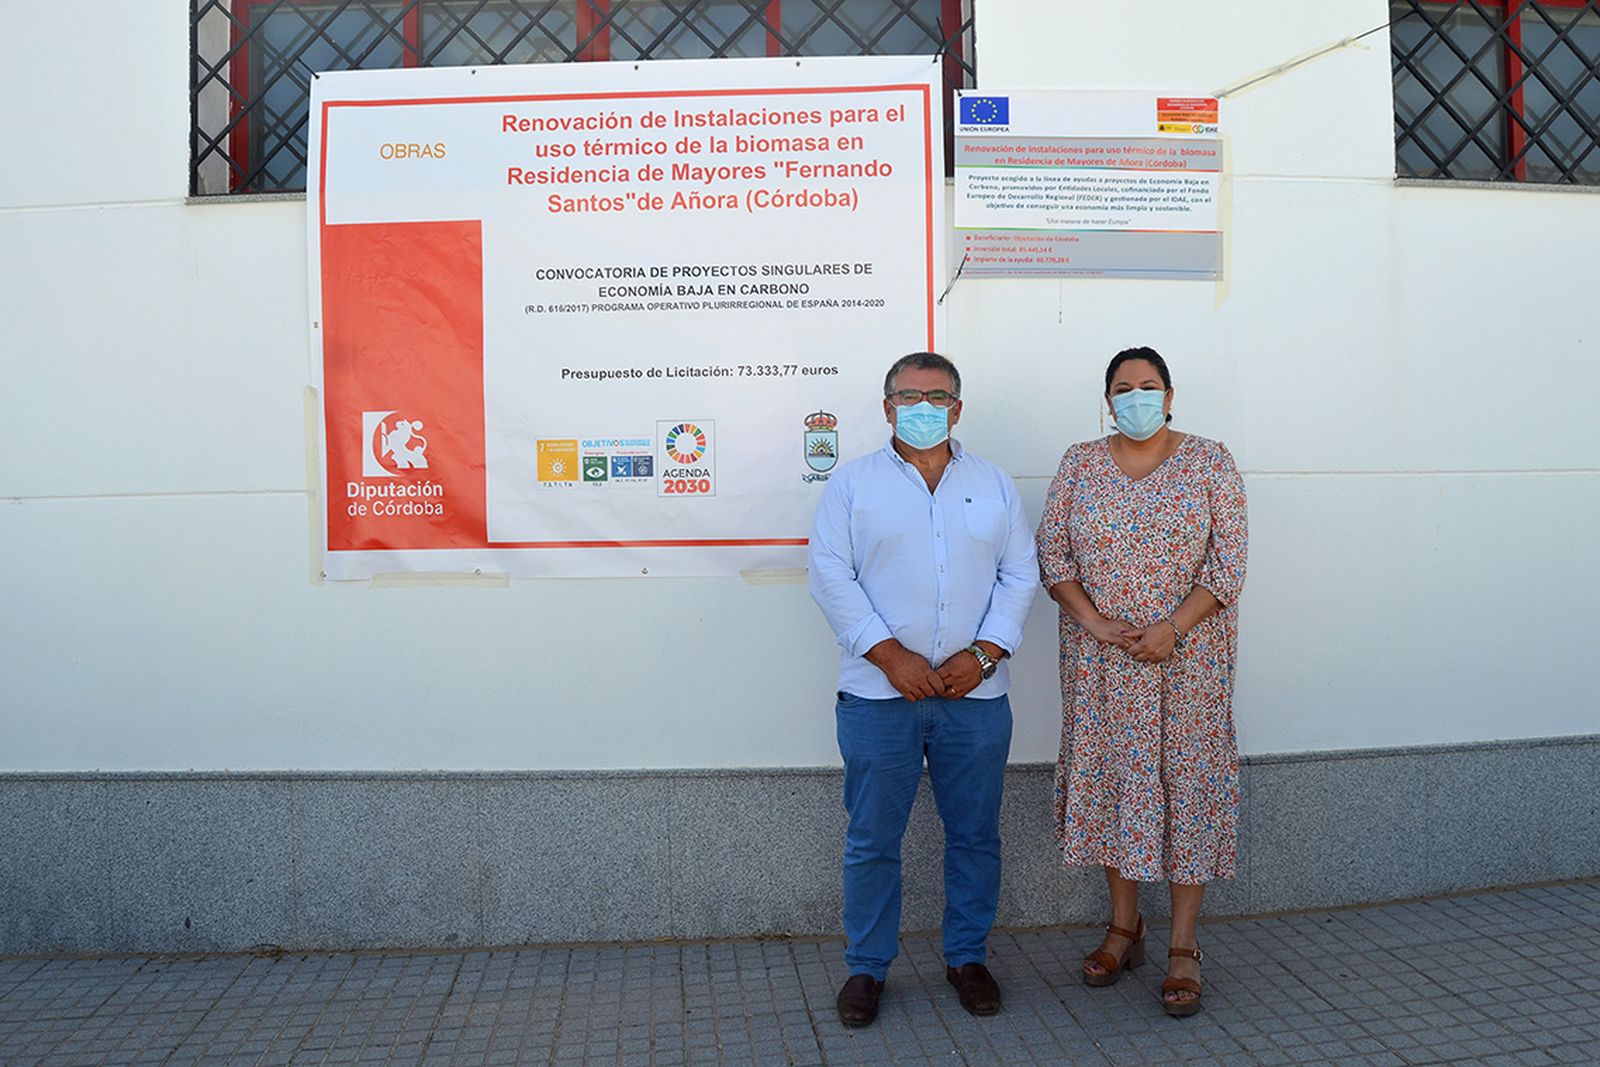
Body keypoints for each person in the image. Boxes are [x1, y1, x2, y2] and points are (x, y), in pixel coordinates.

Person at [808, 352, 1037, 1027]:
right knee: (873, 837)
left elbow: (1020, 575)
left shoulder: (993, 483)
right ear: (886, 407)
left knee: (975, 835)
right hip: (881, 698)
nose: (924, 405)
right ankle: (867, 967)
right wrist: (889, 655)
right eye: (909, 395)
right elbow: (830, 574)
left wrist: (985, 653)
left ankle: (967, 956)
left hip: (976, 699)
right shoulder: (851, 486)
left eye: (938, 396)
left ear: (958, 409)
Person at [1034, 346, 1247, 1017]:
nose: (1136, 397)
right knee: (1112, 778)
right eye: (1122, 388)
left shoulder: (1211, 460)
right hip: (1102, 663)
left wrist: (1173, 627)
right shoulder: (1079, 463)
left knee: (1188, 783)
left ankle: (1184, 942)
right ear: (1107, 400)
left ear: (1171, 395)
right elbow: (1053, 552)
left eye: (1148, 386)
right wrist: (1094, 620)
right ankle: (1125, 925)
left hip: (1189, 663)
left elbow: (1230, 558)